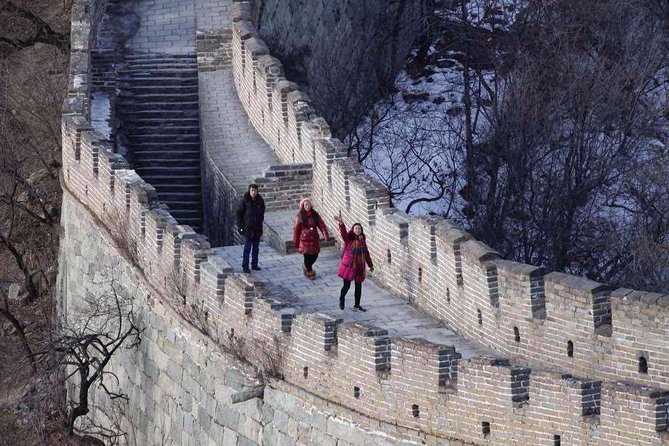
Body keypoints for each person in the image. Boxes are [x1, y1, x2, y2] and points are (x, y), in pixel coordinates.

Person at [334, 214, 374, 311]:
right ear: (353, 229)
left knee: (358, 287)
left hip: (359, 267)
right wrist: (341, 224)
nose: (357, 230)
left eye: (359, 229)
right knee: (346, 286)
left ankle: (357, 305)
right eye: (356, 228)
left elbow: (366, 254)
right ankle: (342, 298)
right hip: (349, 266)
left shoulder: (362, 241)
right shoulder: (349, 239)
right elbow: (343, 234)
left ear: (361, 231)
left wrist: (370, 265)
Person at [293, 198, 330, 279]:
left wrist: (325, 235)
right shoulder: (300, 216)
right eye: (306, 205)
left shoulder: (315, 215)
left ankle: (306, 267)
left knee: (315, 255)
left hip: (314, 239)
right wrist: (296, 242)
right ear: (303, 206)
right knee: (307, 257)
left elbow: (322, 225)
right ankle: (309, 272)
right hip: (304, 240)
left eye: (309, 204)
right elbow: (296, 230)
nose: (307, 206)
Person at [236, 183, 265, 273]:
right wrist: (240, 227)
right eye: (252, 190)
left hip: (257, 229)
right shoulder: (245, 201)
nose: (253, 192)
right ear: (249, 191)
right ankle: (245, 266)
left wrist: (259, 223)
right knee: (247, 248)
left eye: (255, 190)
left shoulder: (260, 200)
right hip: (248, 229)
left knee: (256, 248)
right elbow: (238, 214)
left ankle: (254, 264)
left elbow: (262, 213)